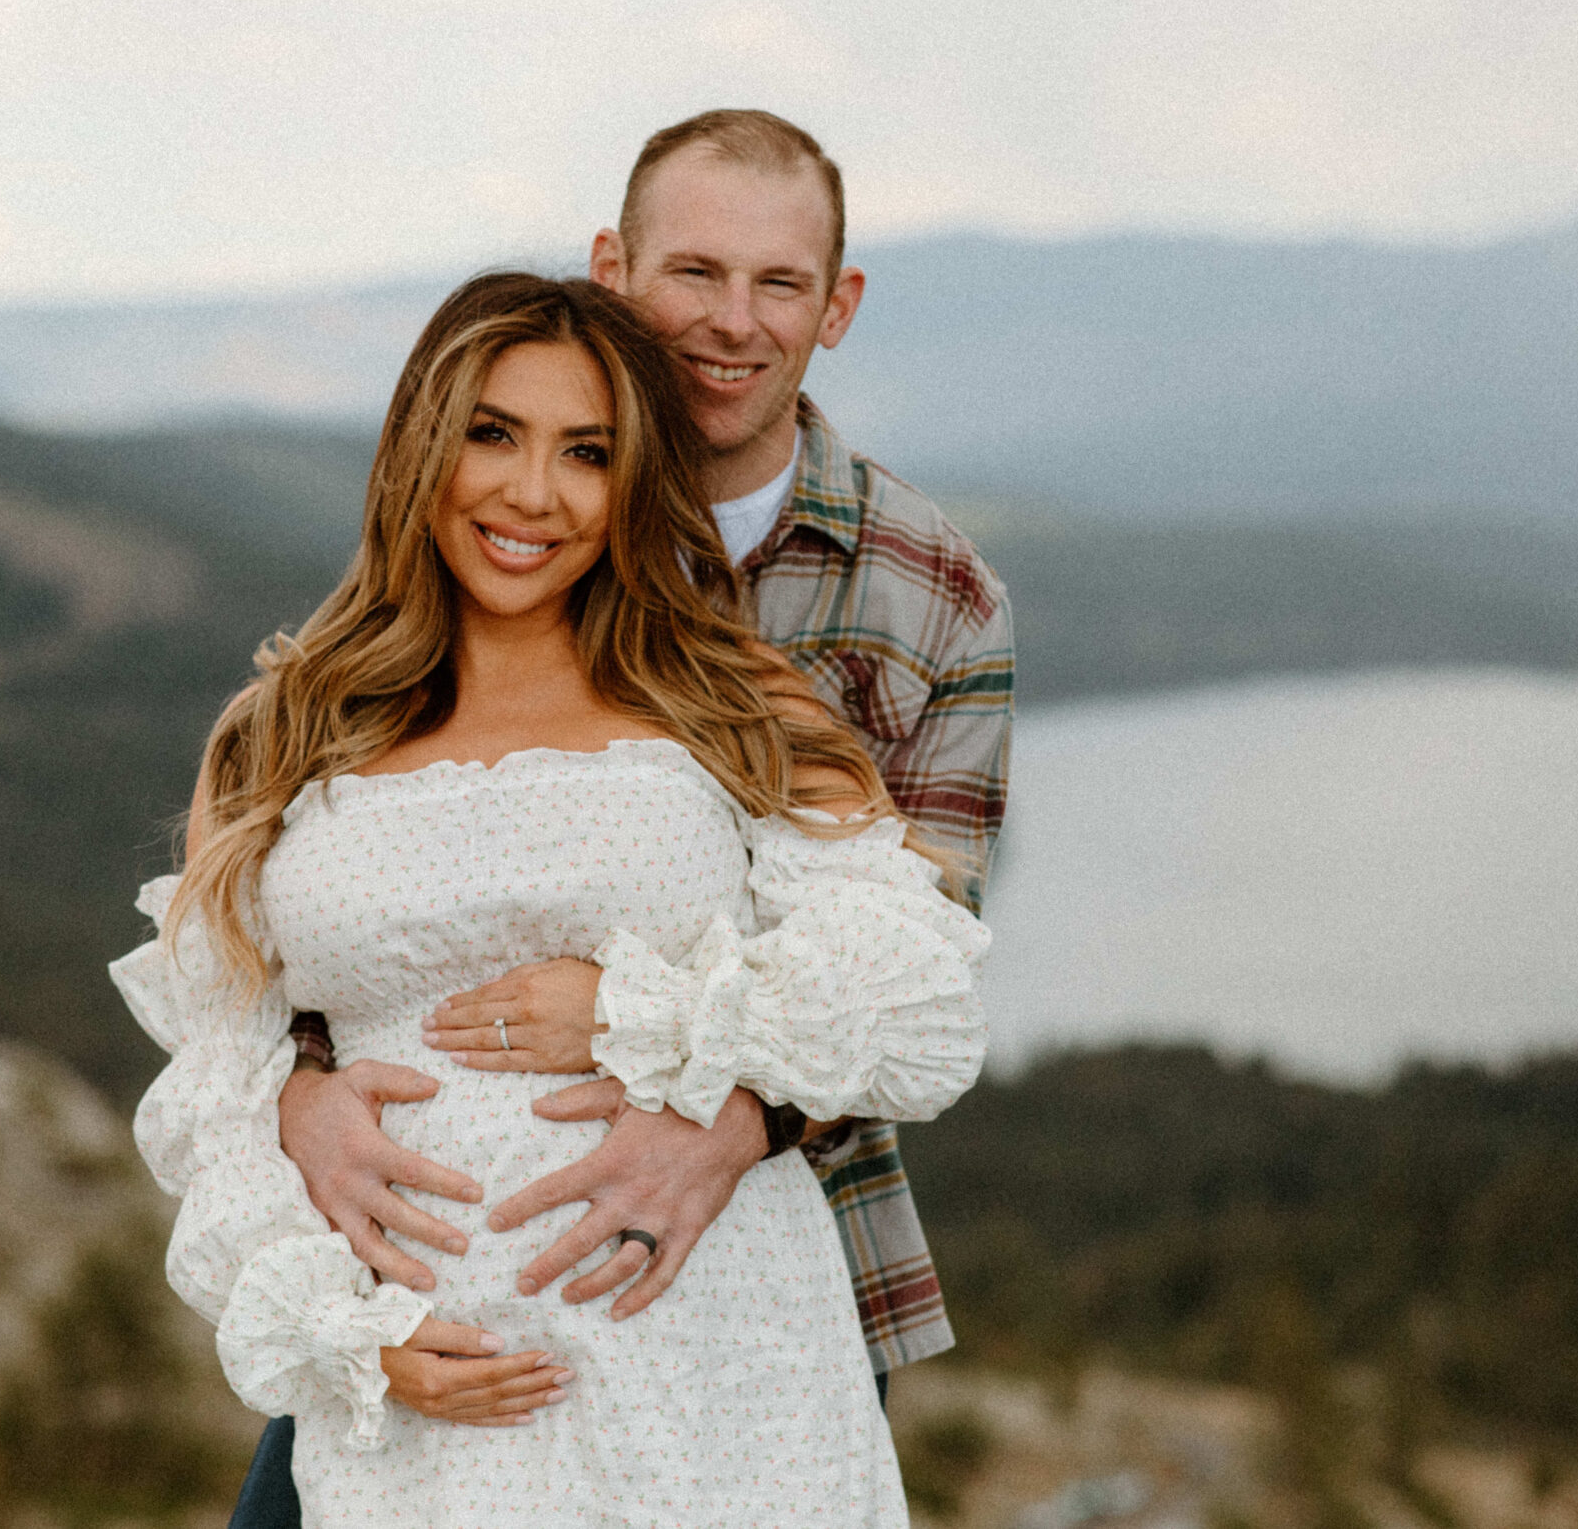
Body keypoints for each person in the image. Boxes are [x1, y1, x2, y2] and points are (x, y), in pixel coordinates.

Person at [235, 112, 1017, 1526]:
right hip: (414, 1323)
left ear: (835, 307)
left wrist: (714, 1105)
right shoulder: (444, 584)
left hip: (738, 1277)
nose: (731, 324)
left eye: (778, 284)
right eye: (693, 273)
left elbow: (921, 964)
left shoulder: (926, 599)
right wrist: (294, 1095)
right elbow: (312, 928)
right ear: (613, 270)